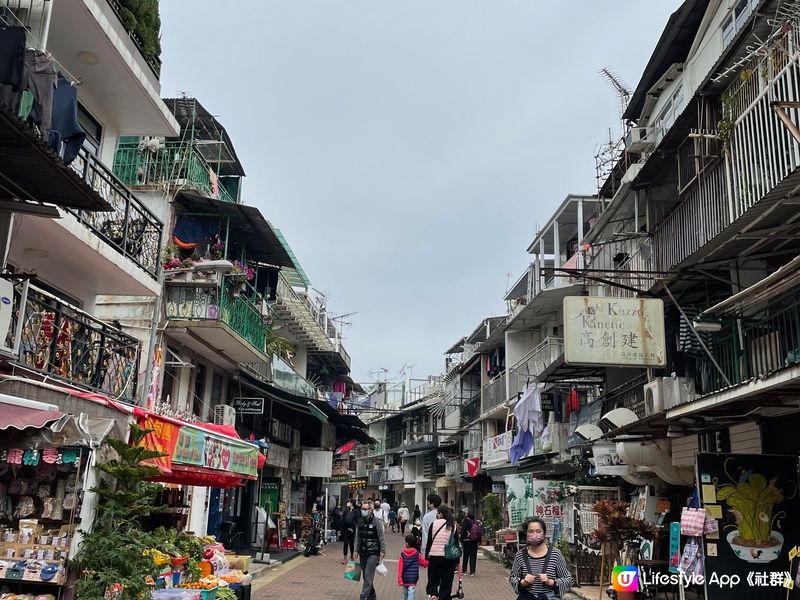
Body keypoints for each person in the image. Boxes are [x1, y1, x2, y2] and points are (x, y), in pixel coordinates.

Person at [509, 516, 573, 600]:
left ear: (544, 533)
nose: (534, 534)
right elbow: (513, 578)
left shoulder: (555, 554)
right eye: (530, 531)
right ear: (526, 533)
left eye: (538, 531)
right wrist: (523, 582)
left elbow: (568, 579)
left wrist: (551, 582)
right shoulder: (520, 555)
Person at [424, 504, 459, 600]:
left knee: (433, 578)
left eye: (438, 513)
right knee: (446, 581)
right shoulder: (452, 525)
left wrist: (427, 557)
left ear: (440, 514)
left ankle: (433, 594)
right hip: (448, 558)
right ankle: (444, 596)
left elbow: (429, 543)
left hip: (435, 556)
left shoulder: (434, 524)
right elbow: (455, 545)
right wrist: (457, 561)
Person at [354, 499, 386, 600]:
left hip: (373, 553)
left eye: (365, 509)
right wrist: (356, 550)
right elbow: (358, 537)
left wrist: (382, 551)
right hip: (363, 552)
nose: (363, 510)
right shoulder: (360, 521)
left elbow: (381, 537)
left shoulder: (377, 522)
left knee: (368, 575)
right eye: (362, 508)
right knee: (365, 576)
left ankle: (363, 596)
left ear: (370, 510)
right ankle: (372, 595)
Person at [398, 533, 429, 600]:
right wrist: (430, 562)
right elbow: (423, 563)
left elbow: (400, 567)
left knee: (405, 593)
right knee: (411, 593)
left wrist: (400, 579)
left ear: (407, 544)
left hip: (404, 578)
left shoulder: (403, 554)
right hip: (413, 578)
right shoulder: (417, 554)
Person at [460, 510, 479, 576]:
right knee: (473, 556)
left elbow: (463, 531)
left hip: (467, 540)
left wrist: (461, 540)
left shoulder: (465, 521)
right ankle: (472, 571)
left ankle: (464, 570)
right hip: (474, 541)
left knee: (466, 556)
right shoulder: (476, 522)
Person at [341, 498, 359, 565]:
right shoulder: (346, 510)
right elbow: (343, 519)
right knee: (345, 543)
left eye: (349, 502)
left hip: (352, 528)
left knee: (351, 543)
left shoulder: (356, 511)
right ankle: (345, 558)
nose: (348, 503)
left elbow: (357, 520)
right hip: (345, 528)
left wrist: (353, 526)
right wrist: (341, 528)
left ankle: (351, 555)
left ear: (352, 503)